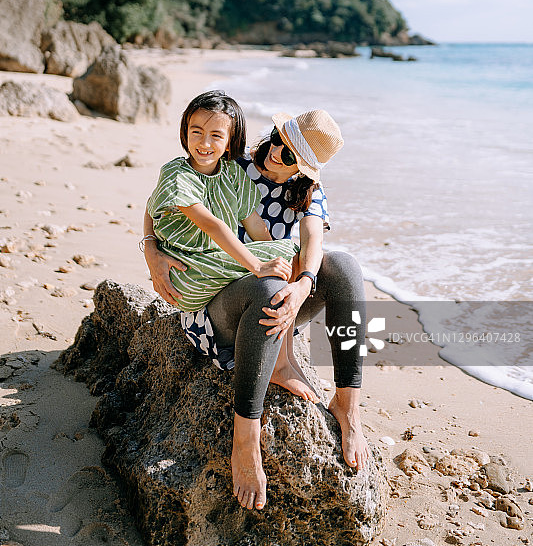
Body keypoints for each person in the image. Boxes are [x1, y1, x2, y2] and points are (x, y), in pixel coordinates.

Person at [143, 105, 369, 512]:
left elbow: (313, 242)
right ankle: (245, 440)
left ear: (304, 168)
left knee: (345, 267)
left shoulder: (308, 192)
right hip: (219, 306)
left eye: (289, 153)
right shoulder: (235, 163)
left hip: (278, 300)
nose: (275, 152)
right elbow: (162, 196)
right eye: (278, 139)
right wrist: (150, 249)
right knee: (269, 285)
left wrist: (304, 285)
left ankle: (347, 407)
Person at [144, 90, 298, 313]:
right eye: (196, 132)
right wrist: (258, 265)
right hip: (184, 273)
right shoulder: (176, 173)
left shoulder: (232, 172)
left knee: (286, 254)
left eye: (216, 135)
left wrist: (271, 250)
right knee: (290, 252)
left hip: (215, 264)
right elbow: (211, 225)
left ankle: (287, 311)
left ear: (229, 143)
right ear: (185, 133)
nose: (204, 142)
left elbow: (253, 223)